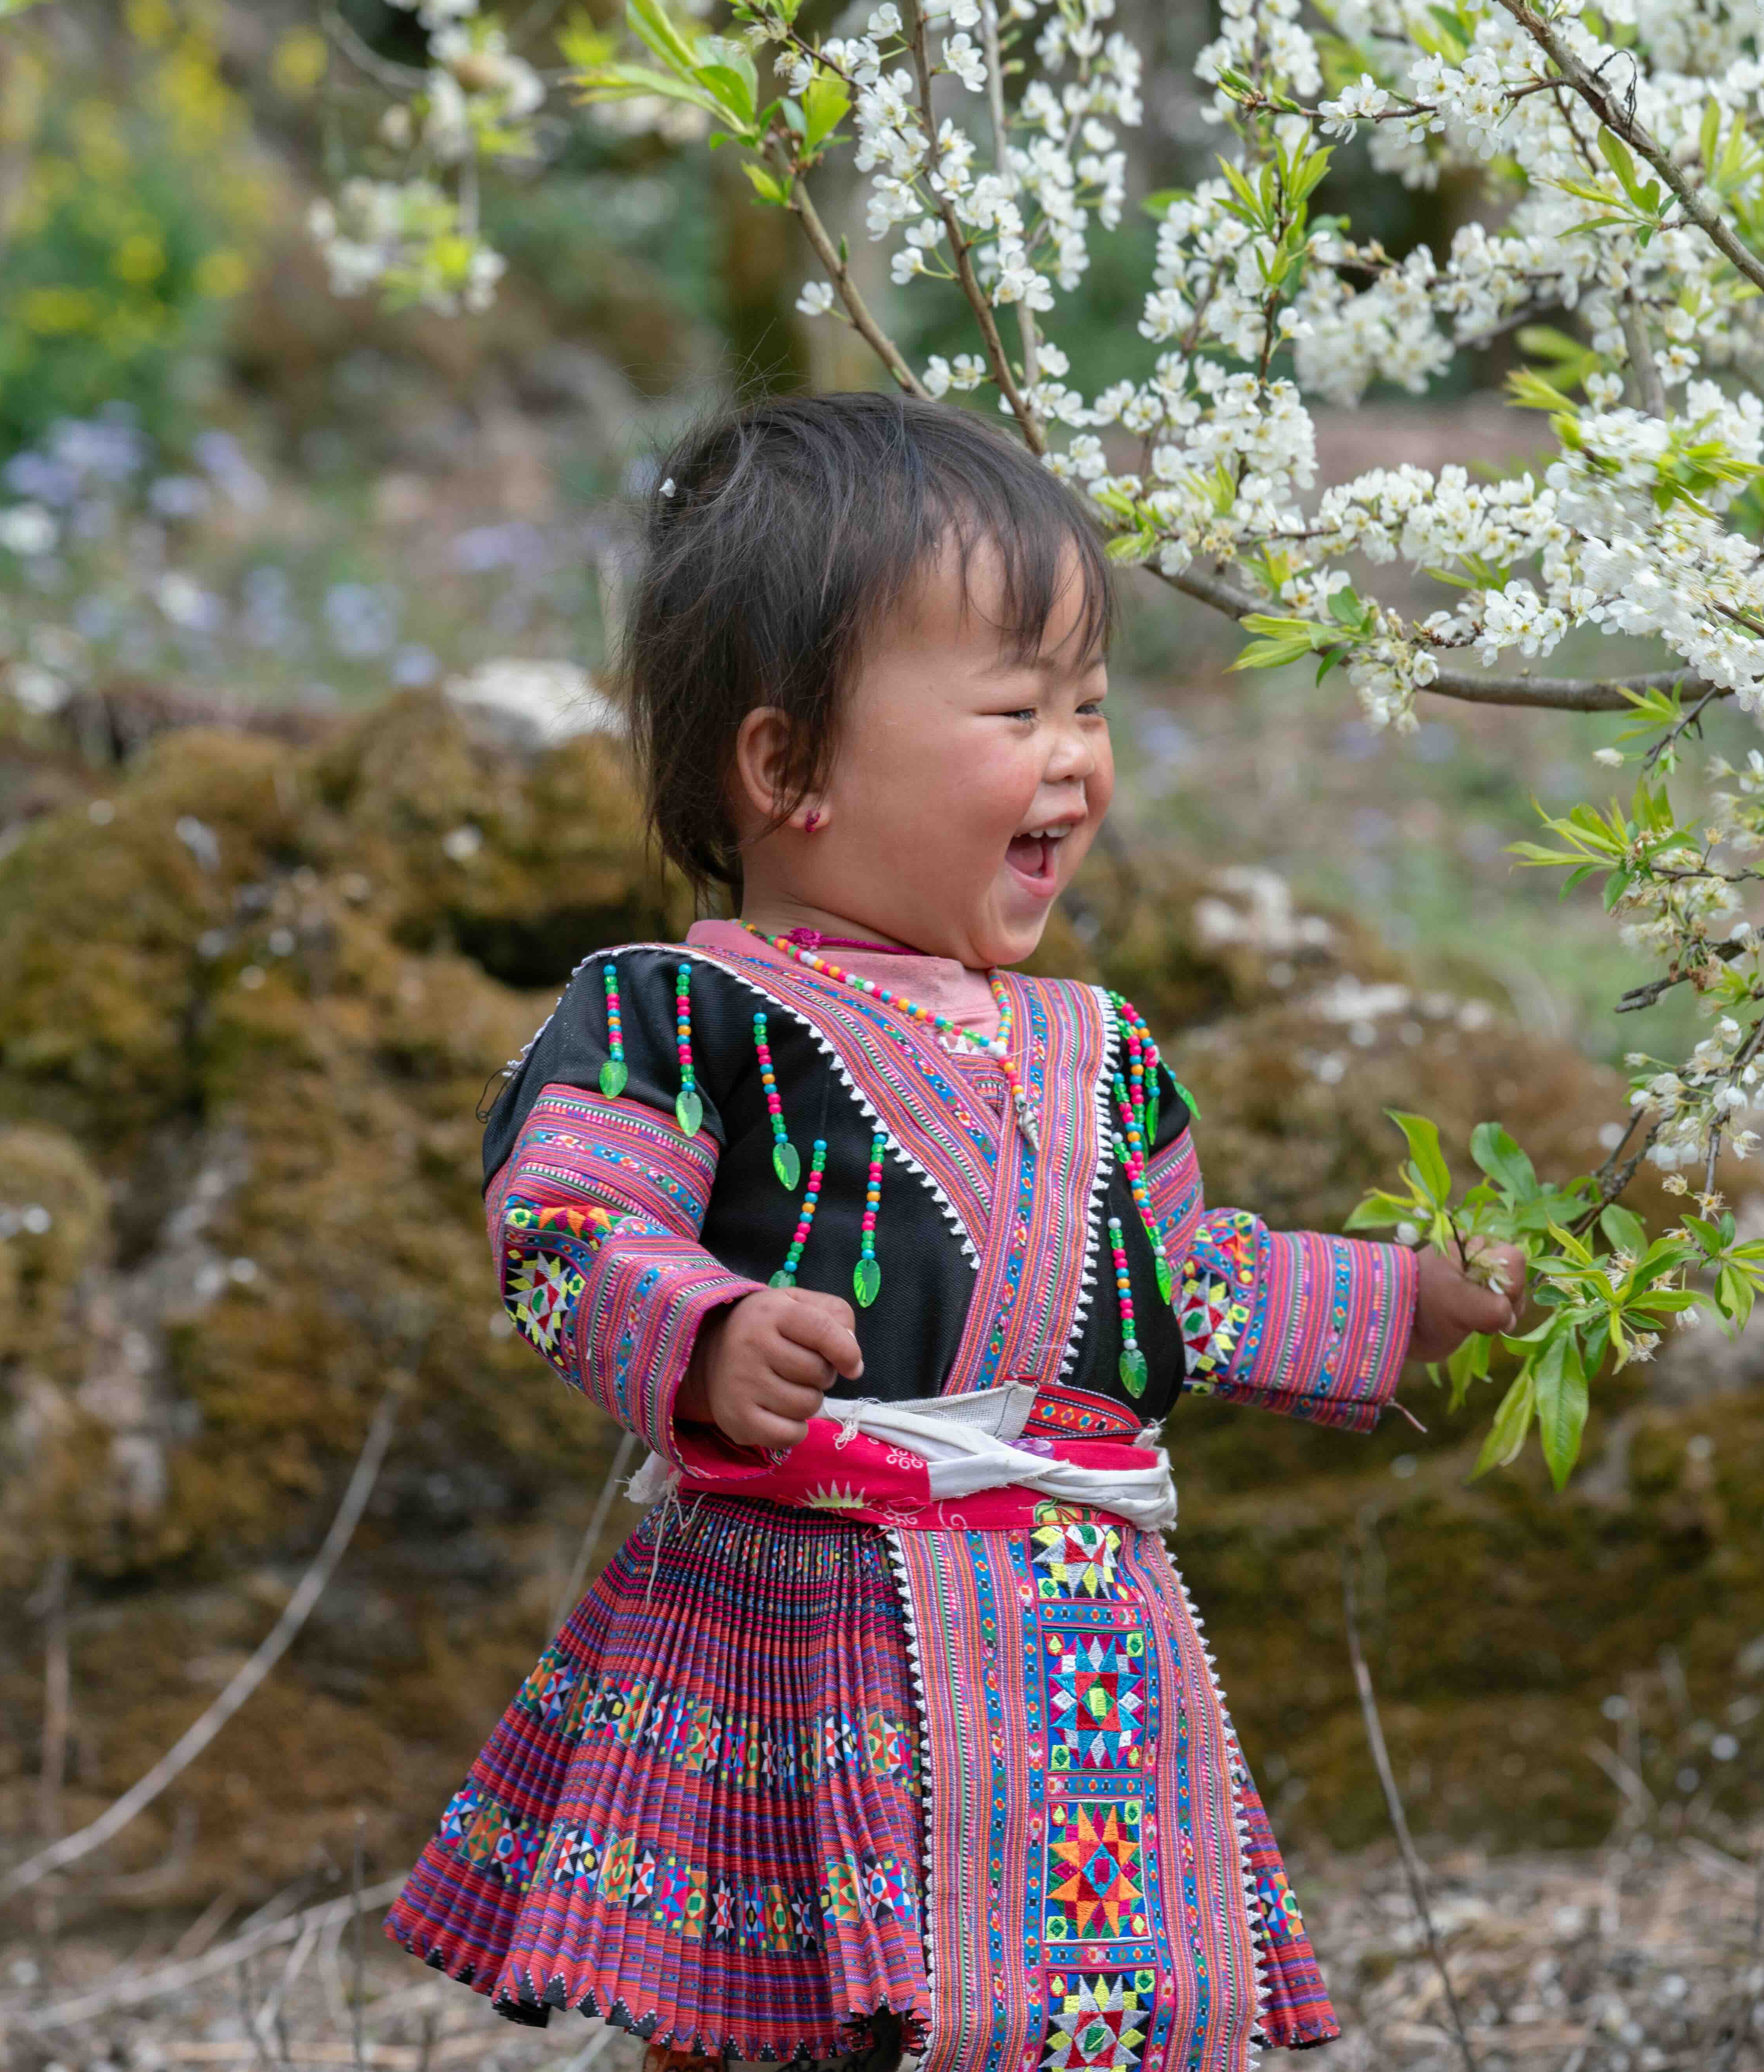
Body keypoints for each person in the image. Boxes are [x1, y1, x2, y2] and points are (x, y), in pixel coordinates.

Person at [385, 392, 1523, 2072]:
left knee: (1085, 2011)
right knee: (779, 2029)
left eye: (1090, 705)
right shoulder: (679, 1018)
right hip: (801, 1628)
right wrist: (703, 1334)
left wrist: (1401, 1300)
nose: (1075, 756)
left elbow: (1180, 1283)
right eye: (1015, 708)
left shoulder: (1100, 1051)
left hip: (1075, 1637)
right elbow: (569, 1223)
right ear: (786, 768)